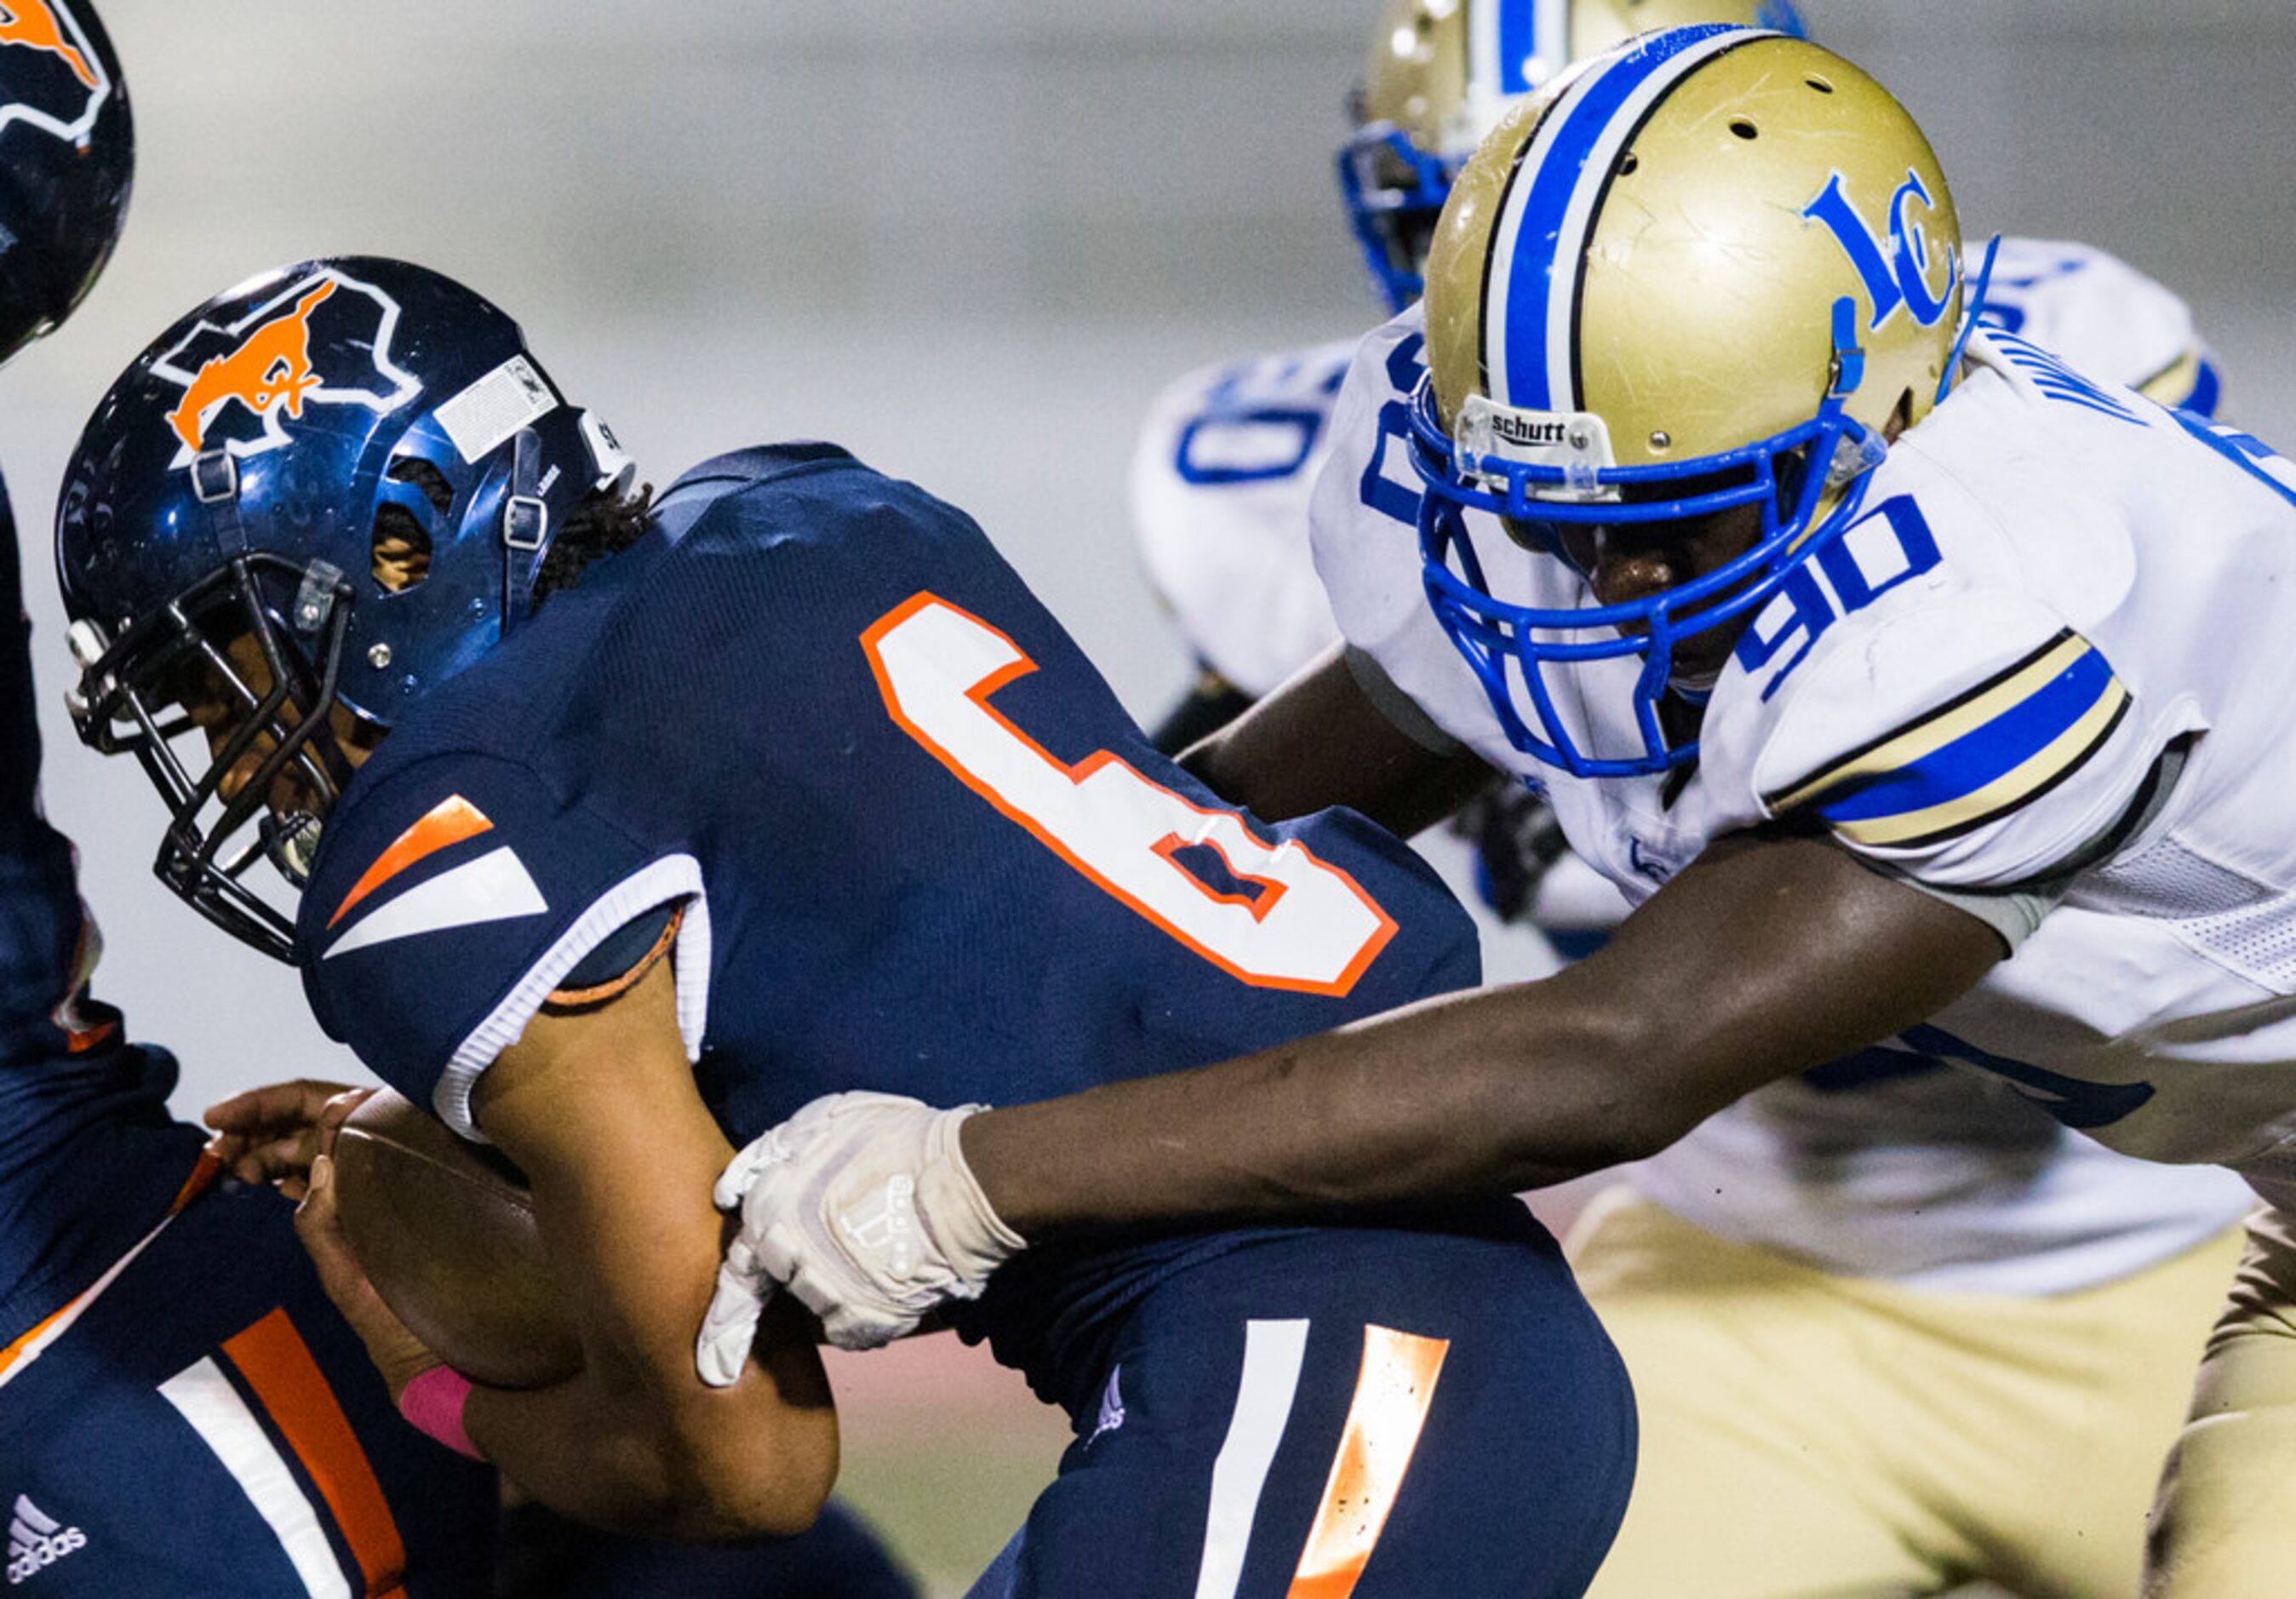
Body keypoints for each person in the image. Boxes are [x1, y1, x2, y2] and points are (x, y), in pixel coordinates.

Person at [705, 26, 2296, 1596]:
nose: (1603, 579)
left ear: (1877, 415)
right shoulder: (1520, 467)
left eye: (1669, 521)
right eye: (1559, 516)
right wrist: (858, 1008)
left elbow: (1610, 1056)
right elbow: (1198, 844)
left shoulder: (2019, 590)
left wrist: (978, 1171)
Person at [58, 254, 1637, 1596]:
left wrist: (443, 1398)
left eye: (233, 672)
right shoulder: (802, 511)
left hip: (1316, 1375)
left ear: (401, 549)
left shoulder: (453, 821)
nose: (243, 754)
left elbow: (745, 1460)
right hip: (1431, 1345)